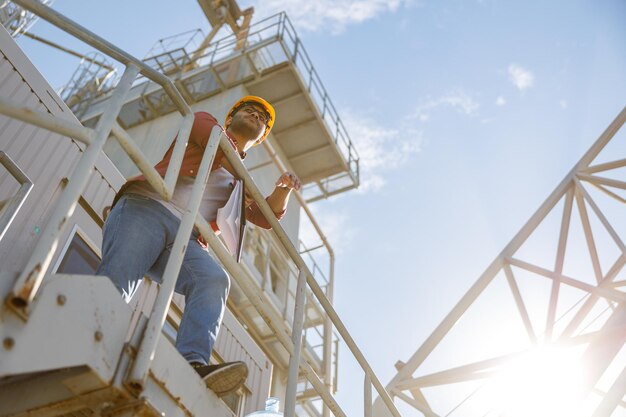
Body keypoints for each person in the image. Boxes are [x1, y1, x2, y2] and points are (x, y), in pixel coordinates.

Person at [96, 96, 300, 396]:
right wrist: (240, 171)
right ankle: (92, 329)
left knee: (214, 278)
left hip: (186, 238)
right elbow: (213, 139)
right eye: (249, 110)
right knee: (119, 280)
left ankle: (190, 364)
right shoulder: (206, 123)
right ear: (230, 119)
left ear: (259, 140)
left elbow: (264, 217)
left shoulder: (240, 182)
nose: (256, 116)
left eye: (263, 119)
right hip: (147, 208)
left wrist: (283, 191)